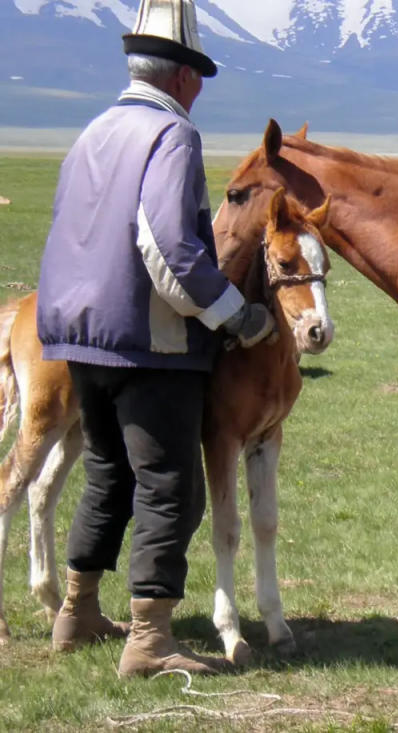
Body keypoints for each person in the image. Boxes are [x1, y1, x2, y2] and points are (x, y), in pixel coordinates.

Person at [36, 0, 276, 676]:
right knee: (170, 484)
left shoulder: (93, 132)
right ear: (182, 78)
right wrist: (237, 316)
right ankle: (150, 638)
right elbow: (169, 248)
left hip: (82, 338)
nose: (198, 90)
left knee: (107, 475)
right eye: (197, 76)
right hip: (149, 341)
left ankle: (77, 610)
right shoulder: (171, 137)